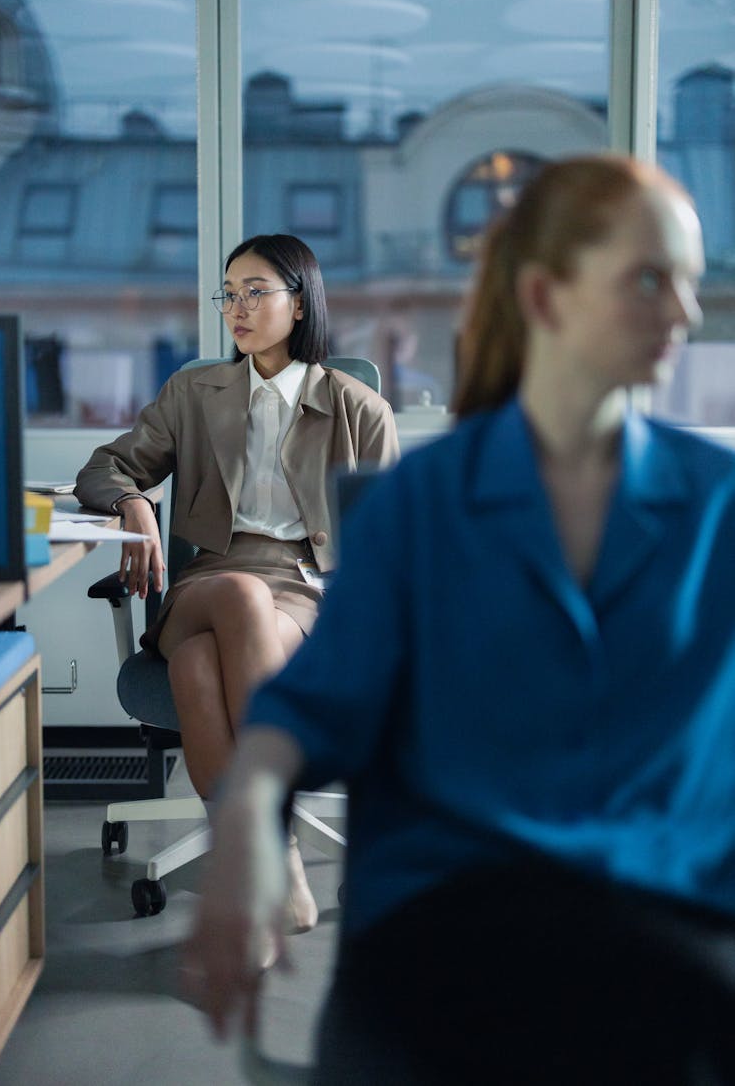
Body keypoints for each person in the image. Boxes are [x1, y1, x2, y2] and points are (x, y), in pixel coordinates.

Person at [183, 156, 735, 1083]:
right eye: (650, 280)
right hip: (456, 919)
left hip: (665, 918)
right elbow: (310, 713)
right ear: (546, 296)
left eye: (688, 282)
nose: (683, 314)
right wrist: (245, 825)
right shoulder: (418, 507)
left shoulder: (717, 504)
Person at [74, 233, 399, 933]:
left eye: (256, 291)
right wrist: (132, 499)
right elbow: (104, 466)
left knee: (197, 666)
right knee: (236, 599)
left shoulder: (359, 410)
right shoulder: (196, 392)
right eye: (229, 293)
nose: (237, 308)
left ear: (301, 303)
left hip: (305, 588)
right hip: (208, 580)